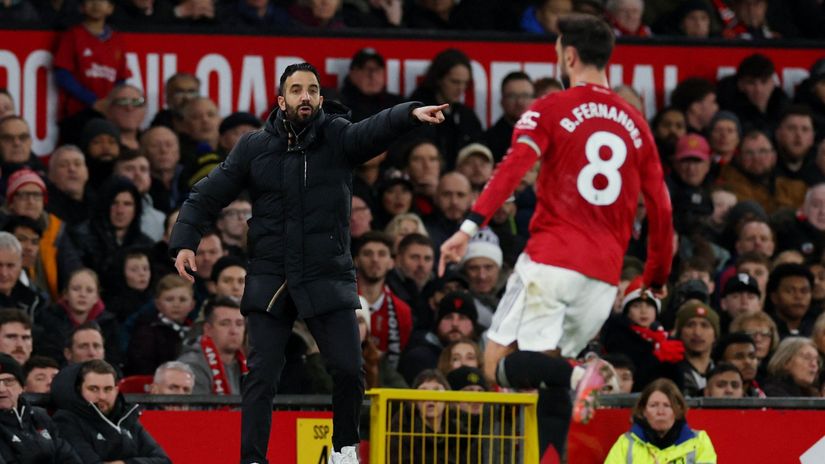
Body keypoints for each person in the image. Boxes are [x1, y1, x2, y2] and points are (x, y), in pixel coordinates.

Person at [170, 61, 447, 464]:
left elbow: (372, 130)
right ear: (282, 100)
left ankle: (344, 450)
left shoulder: (337, 137)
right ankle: (252, 458)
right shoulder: (253, 147)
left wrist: (409, 114)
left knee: (351, 370)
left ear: (319, 97)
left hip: (325, 273)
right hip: (271, 273)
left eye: (313, 90)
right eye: (297, 90)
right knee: (261, 375)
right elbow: (205, 196)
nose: (306, 96)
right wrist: (185, 241)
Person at [439, 14, 673, 456]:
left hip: (551, 260)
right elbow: (661, 208)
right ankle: (556, 443)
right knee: (544, 369)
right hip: (603, 276)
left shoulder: (549, 108)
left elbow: (512, 169)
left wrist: (469, 227)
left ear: (569, 55)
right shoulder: (636, 124)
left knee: (496, 367)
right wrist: (657, 276)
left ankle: (580, 373)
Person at [51, 359, 171, 463]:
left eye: (108, 389)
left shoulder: (128, 418)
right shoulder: (66, 421)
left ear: (116, 391)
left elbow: (164, 460)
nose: (102, 396)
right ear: (79, 390)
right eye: (93, 389)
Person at [604, 378, 717, 463]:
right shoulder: (626, 443)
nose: (660, 412)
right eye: (653, 405)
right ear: (643, 410)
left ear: (678, 410)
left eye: (667, 405)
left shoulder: (699, 441)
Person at [52, 0, 129, 120]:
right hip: (76, 112)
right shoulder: (72, 36)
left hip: (106, 112)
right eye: (91, 0)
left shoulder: (117, 40)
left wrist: (110, 102)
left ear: (110, 8)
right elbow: (62, 74)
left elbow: (121, 79)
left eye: (102, 1)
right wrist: (92, 100)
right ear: (82, 7)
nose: (96, 4)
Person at [0, 353, 83, 463]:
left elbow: (69, 457)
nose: (1, 389)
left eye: (8, 381)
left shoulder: (40, 416)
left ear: (22, 387)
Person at [176, 296, 246, 395]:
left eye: (239, 324)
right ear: (208, 329)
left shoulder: (250, 363)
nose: (234, 331)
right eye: (225, 324)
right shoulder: (191, 366)